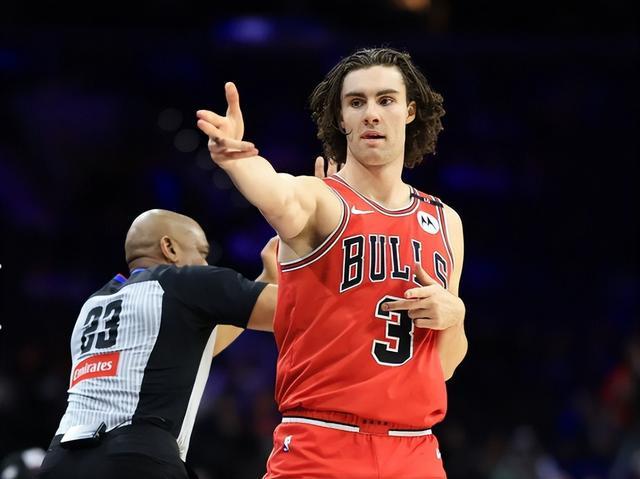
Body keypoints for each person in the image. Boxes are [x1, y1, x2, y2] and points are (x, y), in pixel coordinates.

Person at [196, 47, 467, 478]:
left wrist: (455, 316)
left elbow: (445, 367)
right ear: (341, 119)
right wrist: (239, 162)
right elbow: (277, 193)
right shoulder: (320, 200)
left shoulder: (444, 220)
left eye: (386, 100)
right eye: (356, 102)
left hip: (416, 449)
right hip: (322, 443)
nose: (371, 114)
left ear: (410, 111)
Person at [39, 209, 277, 479]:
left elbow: (196, 349)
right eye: (201, 252)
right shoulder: (182, 281)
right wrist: (302, 259)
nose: (205, 263)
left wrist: (267, 279)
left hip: (60, 460)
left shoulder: (94, 304)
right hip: (136, 458)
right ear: (169, 248)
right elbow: (292, 309)